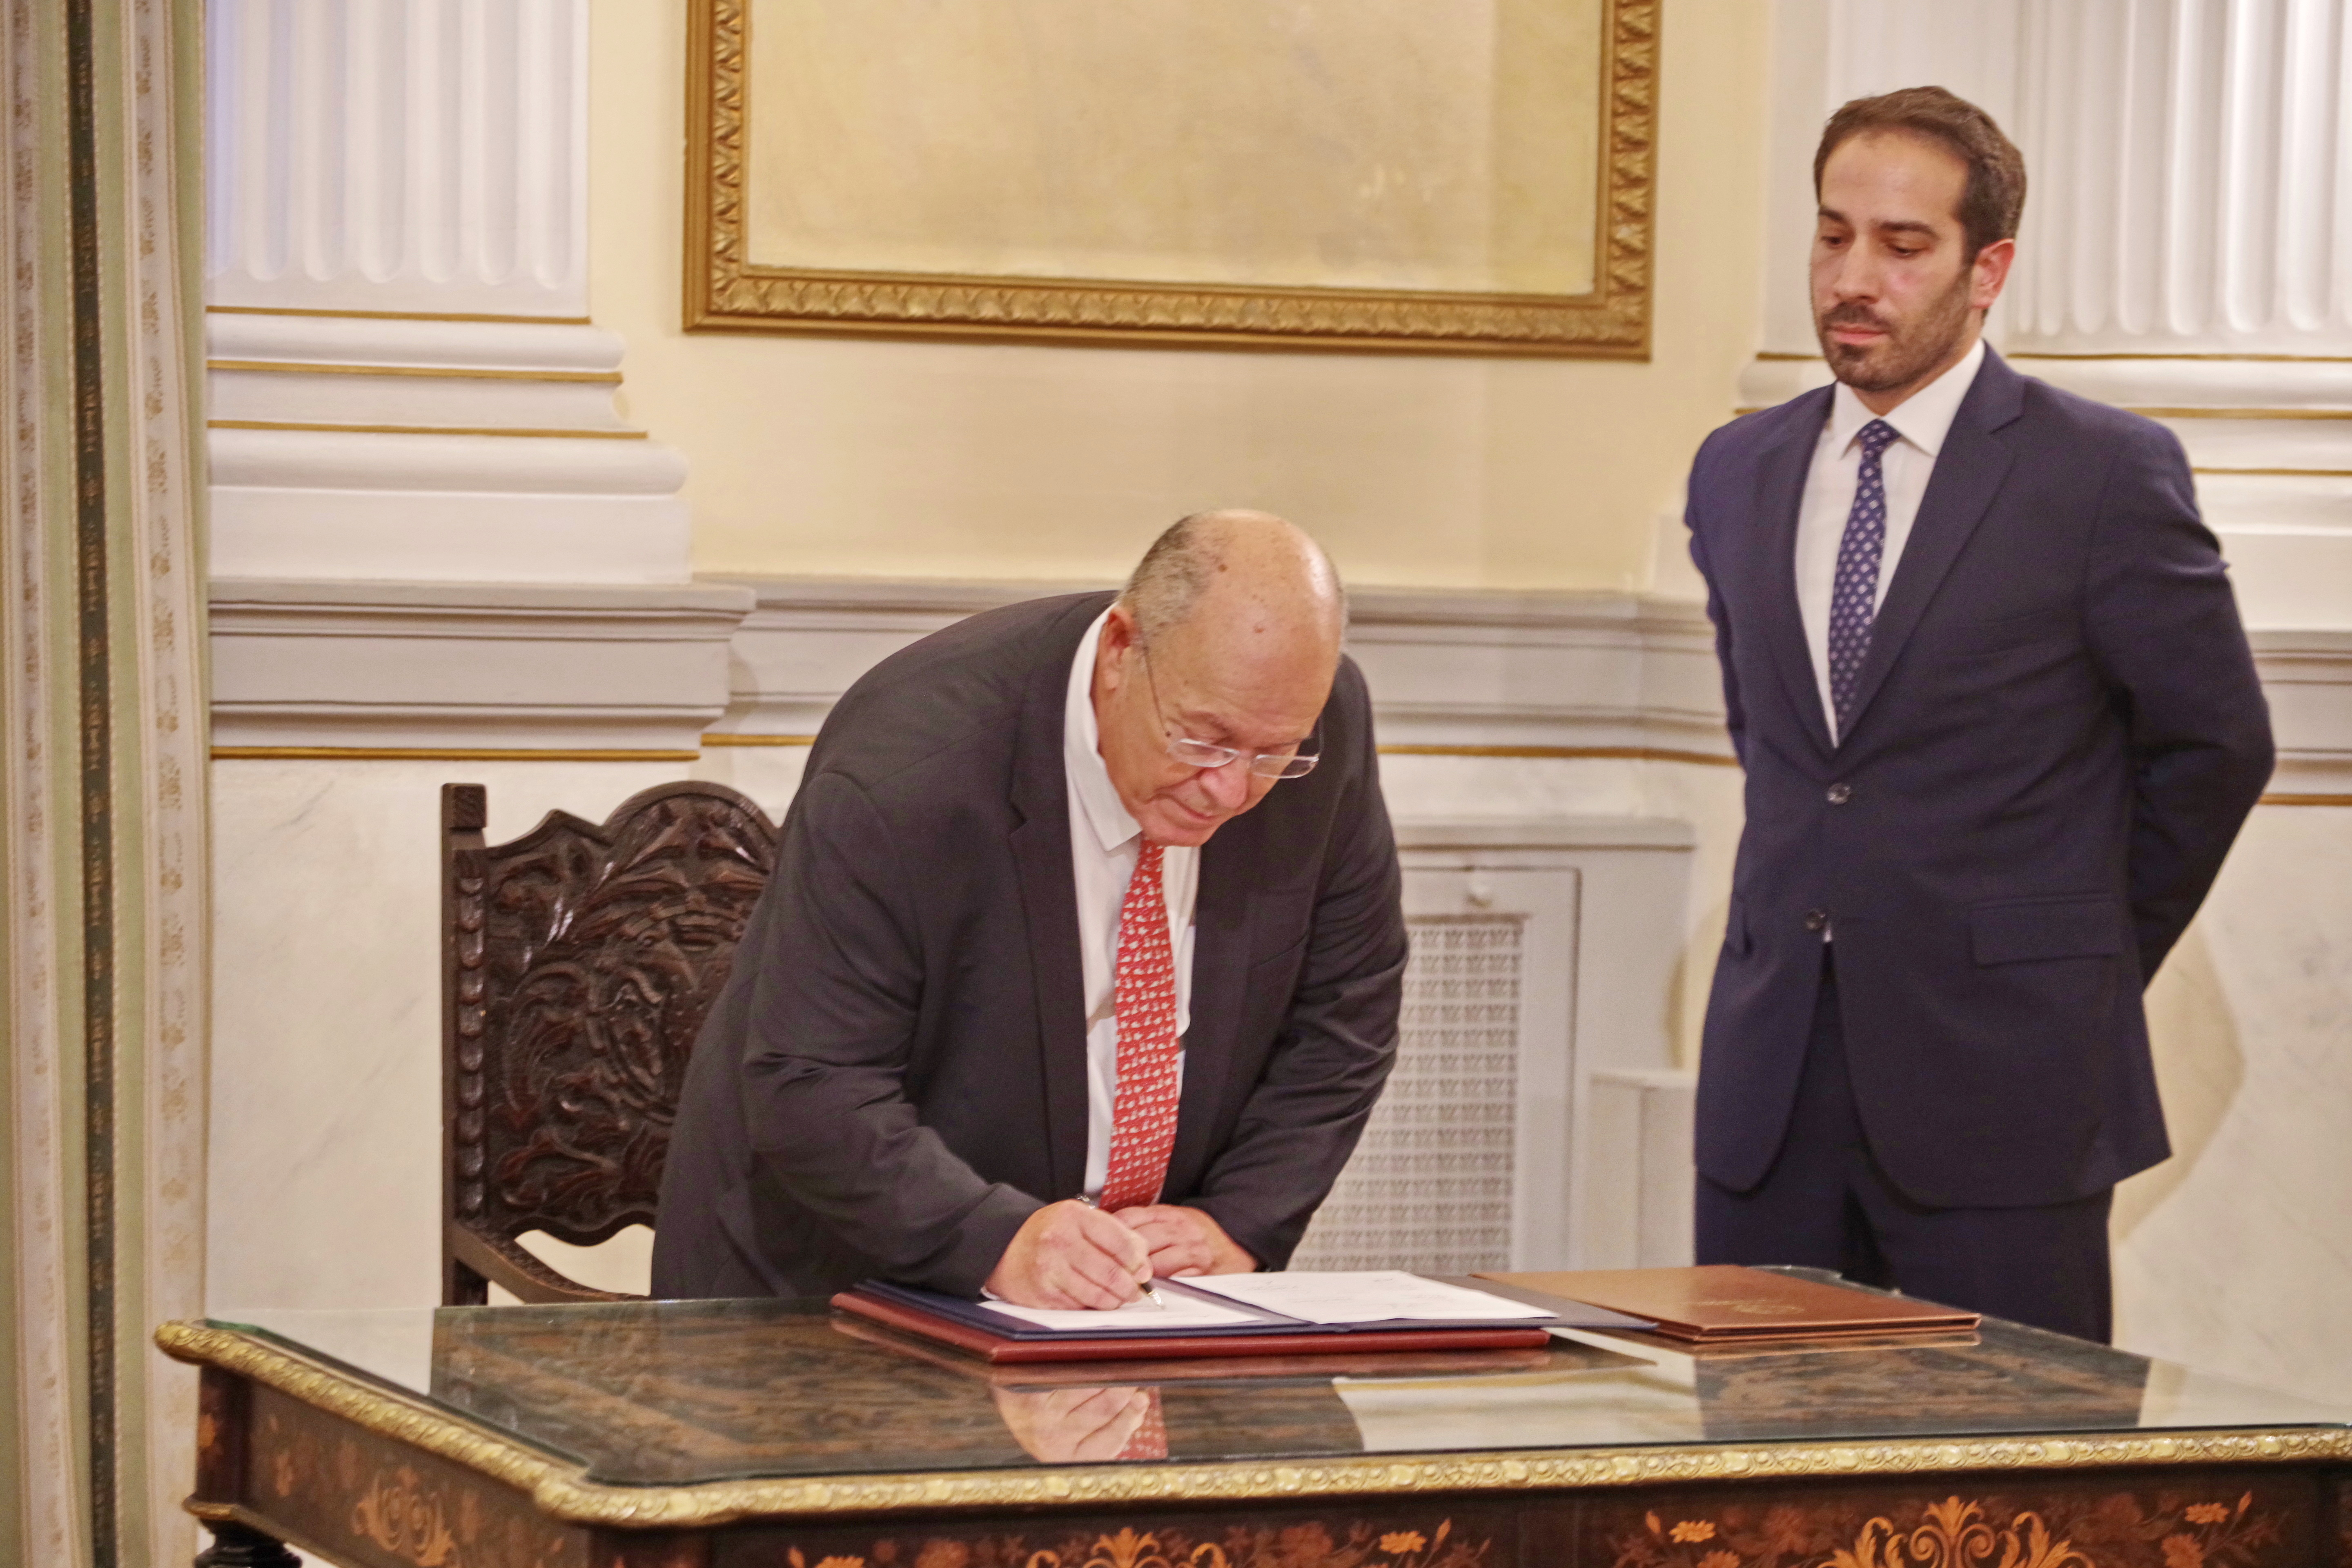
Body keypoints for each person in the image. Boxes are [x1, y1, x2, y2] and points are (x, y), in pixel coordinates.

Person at [1682, 87, 2272, 1341]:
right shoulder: (1735, 470)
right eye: (1833, 235)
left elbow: (2217, 748)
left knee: (2016, 1458)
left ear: (1986, 269)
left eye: (1903, 246)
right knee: (1753, 1451)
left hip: (2010, 1084)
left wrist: (2069, 955)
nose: (1855, 278)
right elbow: (1778, 748)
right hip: (1769, 1093)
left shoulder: (2102, 473)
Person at [653, 510, 1408, 1310]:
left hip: (1135, 1307)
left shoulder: (1314, 723)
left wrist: (1239, 1219)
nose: (1231, 789)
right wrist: (991, 1238)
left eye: (1272, 754)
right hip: (830, 1286)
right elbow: (813, 1080)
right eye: (1202, 740)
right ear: (1120, 651)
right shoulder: (910, 768)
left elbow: (1348, 1006)